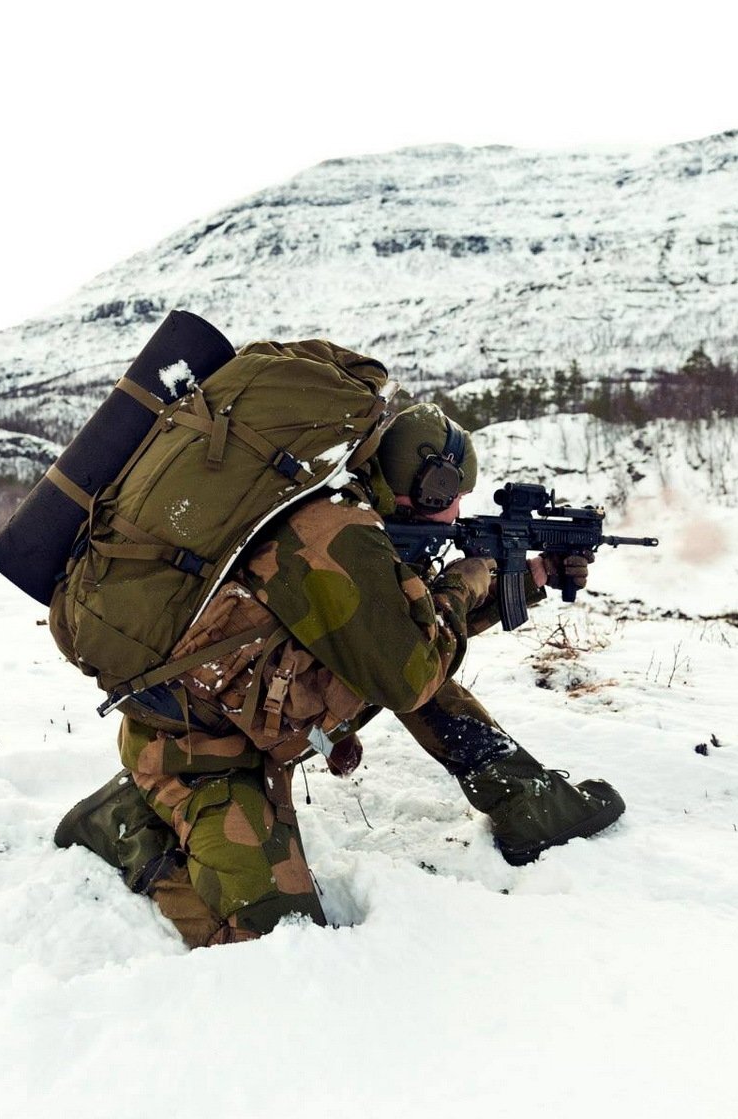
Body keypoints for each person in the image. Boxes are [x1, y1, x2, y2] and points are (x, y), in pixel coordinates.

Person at [55, 402, 624, 947]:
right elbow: (409, 669)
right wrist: (468, 580)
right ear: (430, 483)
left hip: (245, 720)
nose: (455, 514)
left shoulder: (351, 515)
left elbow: (399, 629)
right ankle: (124, 823)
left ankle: (528, 802)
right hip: (198, 752)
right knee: (273, 937)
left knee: (411, 660)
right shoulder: (334, 533)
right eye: (452, 497)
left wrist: (529, 577)